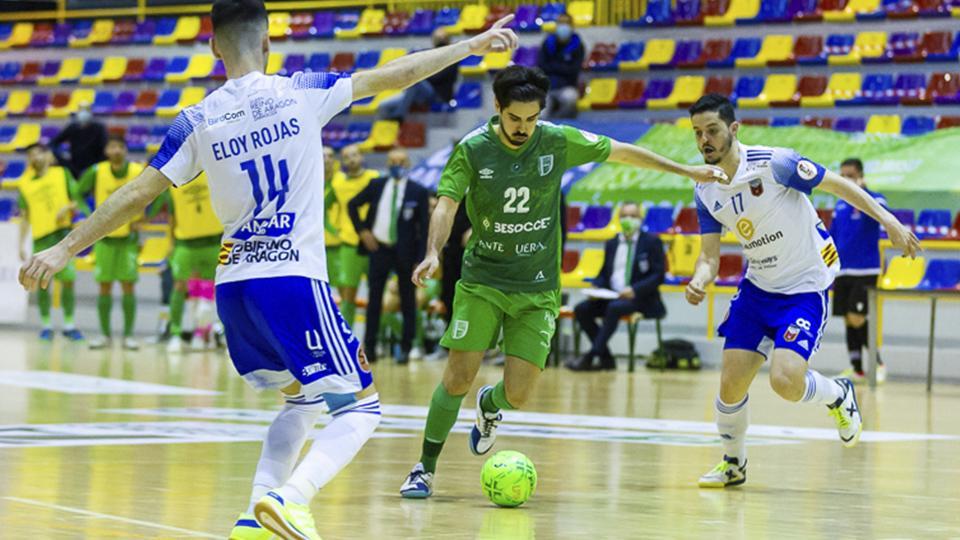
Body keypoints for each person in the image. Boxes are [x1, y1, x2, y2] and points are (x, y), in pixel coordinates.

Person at [18, 1, 520, 537]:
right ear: (267, 44)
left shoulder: (197, 118)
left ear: (213, 48)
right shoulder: (301, 91)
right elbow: (396, 73)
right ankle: (293, 499)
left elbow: (138, 194)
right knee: (361, 410)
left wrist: (63, 249)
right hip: (292, 280)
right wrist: (470, 46)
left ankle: (254, 516)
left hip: (234, 290)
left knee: (301, 403)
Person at [399, 65, 727, 499]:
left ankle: (490, 406)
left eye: (531, 118)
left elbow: (623, 152)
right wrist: (433, 252)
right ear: (497, 108)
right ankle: (424, 467)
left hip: (537, 289)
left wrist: (687, 172)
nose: (523, 128)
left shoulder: (555, 139)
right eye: (515, 118)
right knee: (458, 377)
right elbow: (446, 205)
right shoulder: (473, 149)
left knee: (518, 394)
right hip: (483, 280)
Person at [683, 94, 919, 489]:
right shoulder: (704, 189)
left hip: (805, 287)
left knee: (786, 382)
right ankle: (734, 463)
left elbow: (839, 185)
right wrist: (700, 279)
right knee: (729, 384)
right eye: (697, 133)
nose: (704, 140)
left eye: (712, 130)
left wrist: (889, 221)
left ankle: (837, 394)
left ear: (734, 129)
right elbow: (709, 256)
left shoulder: (776, 163)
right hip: (758, 288)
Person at [348, 148, 429, 365]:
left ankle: (406, 347)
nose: (397, 165)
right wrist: (363, 231)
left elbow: (425, 229)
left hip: (406, 253)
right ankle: (371, 348)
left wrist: (420, 259)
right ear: (387, 164)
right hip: (379, 249)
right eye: (393, 161)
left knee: (408, 301)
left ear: (408, 164)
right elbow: (352, 205)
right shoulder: (377, 186)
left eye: (401, 161)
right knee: (374, 300)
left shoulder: (418, 191)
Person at [568, 202, 666, 371]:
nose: (629, 219)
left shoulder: (652, 242)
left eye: (633, 216)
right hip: (612, 296)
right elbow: (604, 274)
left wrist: (634, 290)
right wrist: (596, 287)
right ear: (619, 219)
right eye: (625, 216)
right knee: (582, 309)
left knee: (614, 308)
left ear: (640, 219)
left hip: (641, 298)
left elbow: (658, 276)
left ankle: (591, 355)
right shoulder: (612, 243)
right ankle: (606, 357)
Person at [76, 135, 145, 350]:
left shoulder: (137, 171)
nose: (116, 150)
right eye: (112, 146)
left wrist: (145, 216)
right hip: (104, 240)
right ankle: (104, 336)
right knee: (104, 287)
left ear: (125, 150)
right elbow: (78, 193)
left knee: (128, 287)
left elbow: (158, 194)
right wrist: (90, 215)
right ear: (106, 151)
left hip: (128, 240)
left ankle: (128, 336)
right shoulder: (97, 172)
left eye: (120, 147)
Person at [150, 172, 224, 353]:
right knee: (180, 286)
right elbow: (159, 214)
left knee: (209, 292)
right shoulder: (172, 181)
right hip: (184, 242)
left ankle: (204, 332)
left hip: (213, 240)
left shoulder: (212, 173)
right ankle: (176, 333)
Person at [17, 143, 85, 342]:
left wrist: (68, 208)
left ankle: (69, 324)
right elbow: (24, 216)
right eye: (30, 154)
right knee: (42, 283)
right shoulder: (24, 183)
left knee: (68, 281)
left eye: (38, 153)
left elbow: (78, 199)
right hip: (41, 238)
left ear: (48, 156)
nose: (34, 157)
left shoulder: (62, 174)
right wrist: (21, 243)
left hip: (63, 236)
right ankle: (46, 325)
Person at [831, 158, 888, 384]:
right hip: (842, 271)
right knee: (847, 319)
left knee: (857, 318)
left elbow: (882, 214)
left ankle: (878, 363)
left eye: (850, 175)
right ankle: (857, 369)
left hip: (865, 270)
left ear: (861, 176)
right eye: (842, 175)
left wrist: (862, 194)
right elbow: (834, 235)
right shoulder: (840, 204)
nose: (845, 179)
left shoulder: (874, 199)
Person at [330, 143, 380, 327]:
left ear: (362, 156)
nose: (352, 159)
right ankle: (347, 338)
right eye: (347, 156)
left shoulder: (374, 178)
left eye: (355, 155)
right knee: (347, 296)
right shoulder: (337, 182)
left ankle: (375, 339)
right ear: (342, 161)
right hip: (348, 244)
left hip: (374, 243)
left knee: (377, 292)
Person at [379, 28, 459, 121]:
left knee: (416, 81)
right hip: (420, 92)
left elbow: (437, 77)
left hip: (438, 95)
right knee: (383, 106)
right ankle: (389, 131)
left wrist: (419, 73)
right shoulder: (431, 55)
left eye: (442, 40)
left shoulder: (452, 58)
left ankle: (400, 115)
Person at [537, 13, 584, 119]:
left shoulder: (578, 45)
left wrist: (553, 67)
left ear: (572, 26)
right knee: (541, 113)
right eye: (561, 23)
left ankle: (560, 122)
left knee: (571, 98)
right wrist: (563, 67)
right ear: (556, 25)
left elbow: (574, 70)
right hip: (547, 87)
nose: (563, 26)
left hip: (567, 86)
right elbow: (542, 66)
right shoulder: (547, 43)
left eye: (566, 23)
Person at [50, 102, 109, 178]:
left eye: (86, 110)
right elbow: (54, 142)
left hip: (94, 166)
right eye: (81, 110)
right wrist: (62, 155)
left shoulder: (99, 128)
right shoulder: (73, 127)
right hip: (75, 165)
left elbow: (105, 147)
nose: (83, 113)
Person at [322, 146, 342, 294]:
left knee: (344, 288)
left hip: (338, 243)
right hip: (316, 244)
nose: (326, 160)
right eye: (323, 156)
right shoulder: (308, 180)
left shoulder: (342, 182)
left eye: (330, 156)